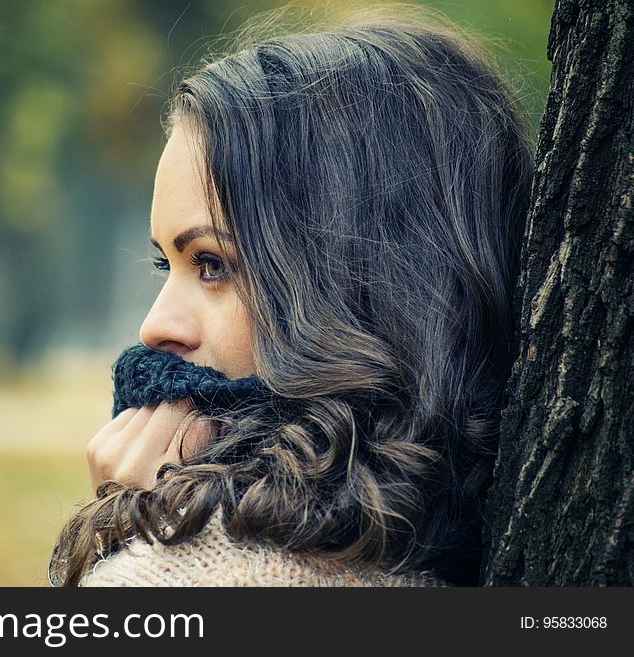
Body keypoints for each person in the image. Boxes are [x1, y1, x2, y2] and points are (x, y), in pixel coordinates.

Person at [48, 9, 534, 587]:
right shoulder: (471, 546)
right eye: (166, 265)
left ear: (359, 289)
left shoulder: (187, 574)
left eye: (212, 264)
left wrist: (141, 538)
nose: (155, 327)